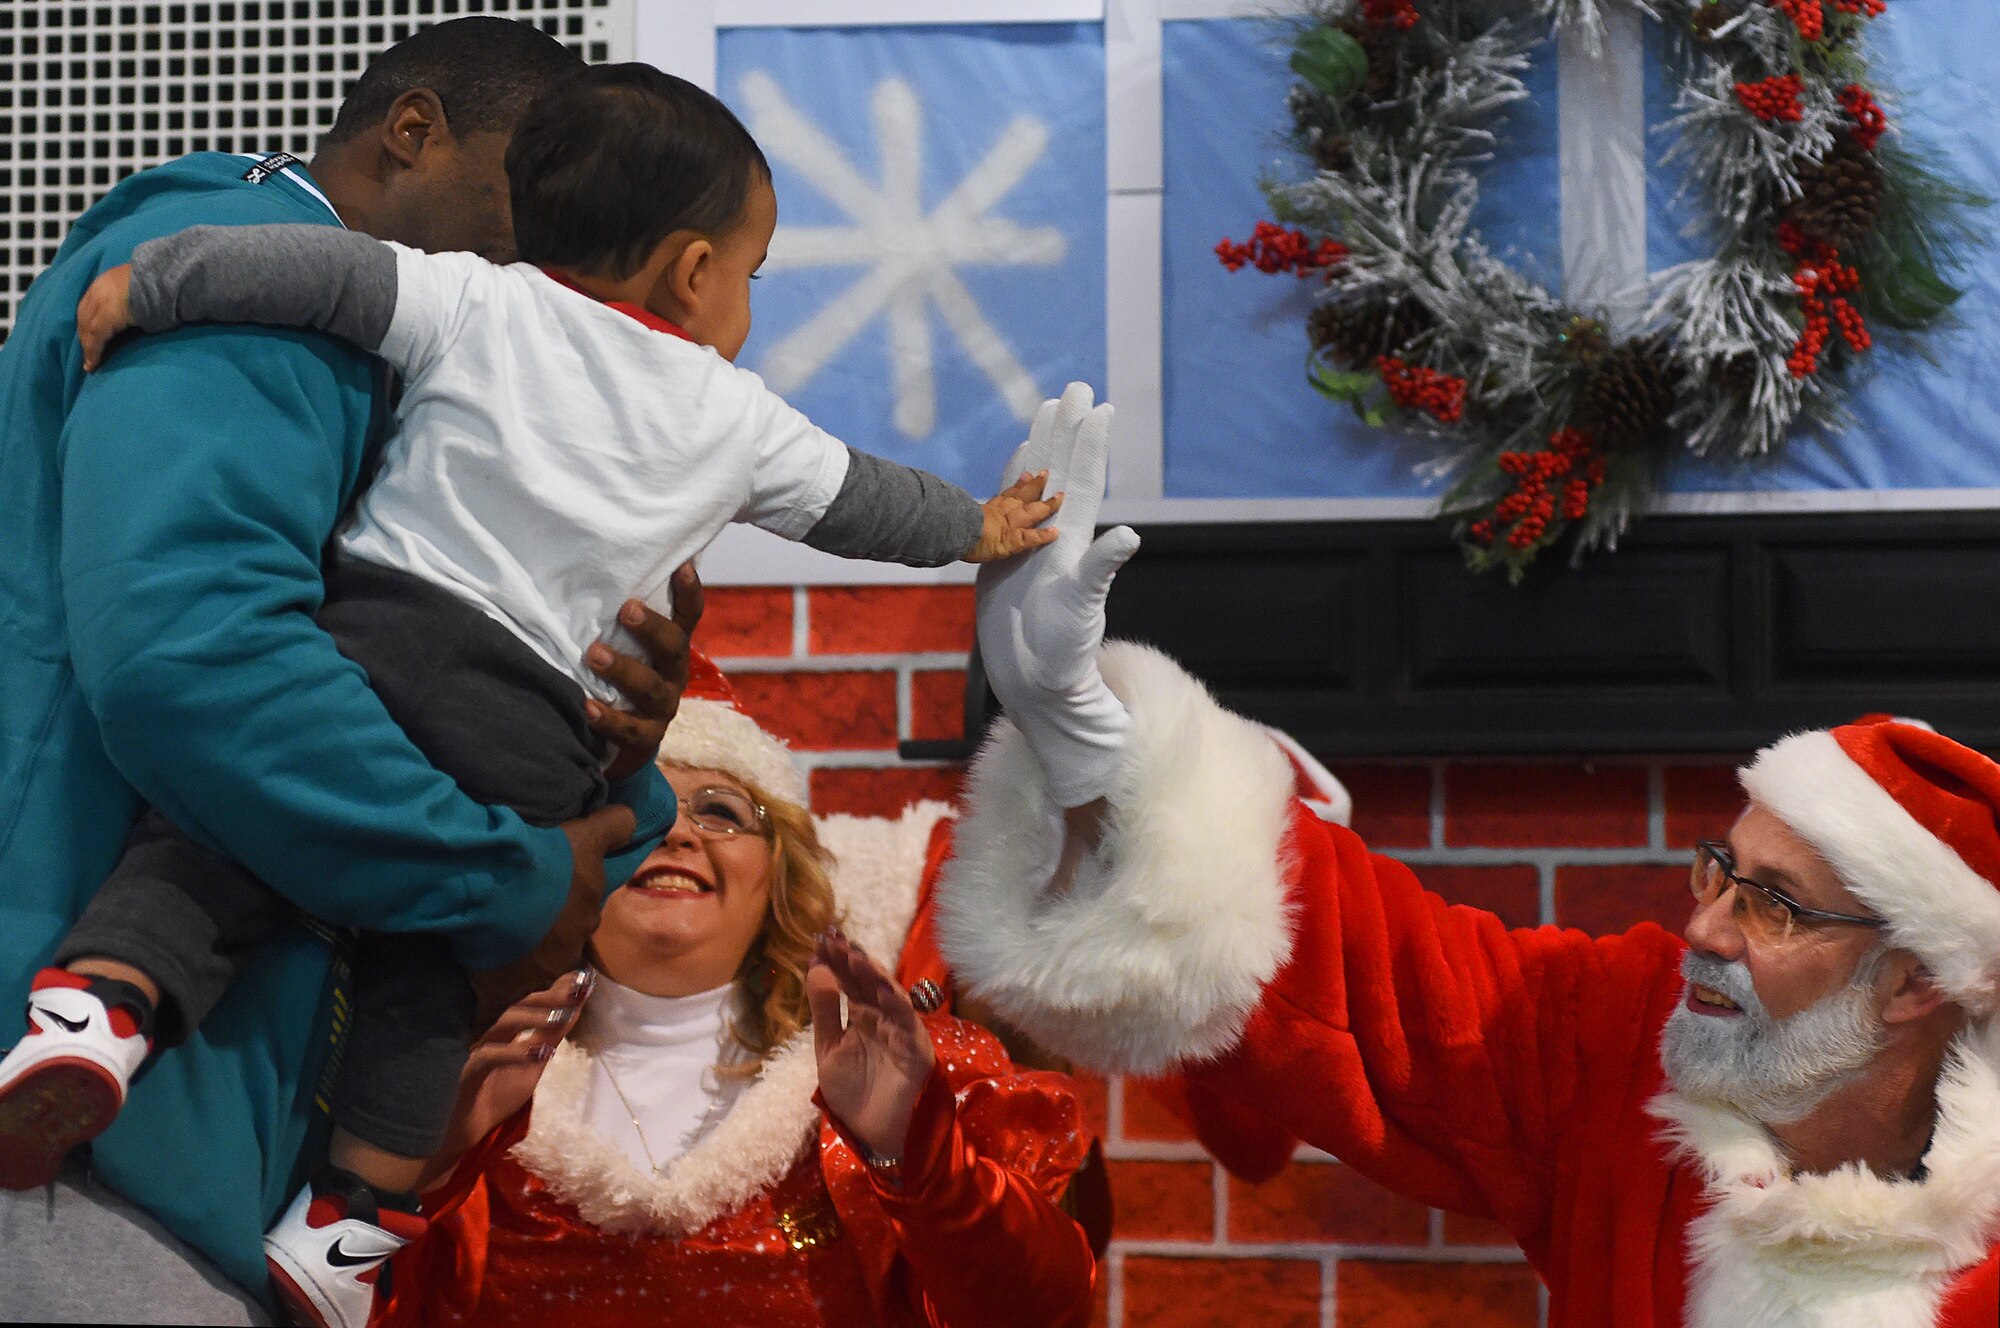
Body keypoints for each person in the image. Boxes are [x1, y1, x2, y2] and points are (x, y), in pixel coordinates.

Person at [7, 64, 1060, 1319]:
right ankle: (352, 1220)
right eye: (751, 271)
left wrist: (154, 285)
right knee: (428, 969)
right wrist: (982, 528)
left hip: (385, 641)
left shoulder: (473, 302)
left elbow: (303, 280)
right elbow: (866, 502)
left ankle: (96, 1007)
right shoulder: (736, 412)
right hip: (524, 724)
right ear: (692, 272)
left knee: (213, 850)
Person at [931, 385, 2000, 1325]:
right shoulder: (1631, 1044)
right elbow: (1380, 979)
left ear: (1913, 979)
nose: (1703, 926)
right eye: (1718, 869)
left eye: (1772, 904)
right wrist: (1089, 739)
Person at [0, 20, 690, 1325]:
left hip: (179, 1160)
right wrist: (507, 874)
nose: (544, 251)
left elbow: (417, 697)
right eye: (526, 191)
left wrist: (615, 752)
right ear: (413, 130)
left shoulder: (436, 386)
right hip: (75, 1141)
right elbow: (192, 652)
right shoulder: (266, 276)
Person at [372, 653, 1096, 1328]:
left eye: (719, 810)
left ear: (777, 875)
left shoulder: (886, 1075)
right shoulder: (466, 1071)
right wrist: (428, 1168)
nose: (677, 834)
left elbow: (1046, 1310)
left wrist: (915, 1151)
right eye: (637, 806)